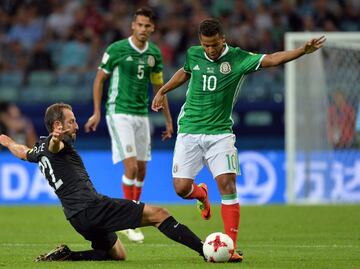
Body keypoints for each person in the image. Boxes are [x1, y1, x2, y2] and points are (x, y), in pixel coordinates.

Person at [152, 18, 326, 257]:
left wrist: (302, 51)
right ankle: (201, 193)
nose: (210, 50)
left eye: (214, 45)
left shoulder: (238, 58)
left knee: (227, 184)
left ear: (223, 39)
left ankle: (230, 247)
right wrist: (163, 90)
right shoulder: (194, 54)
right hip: (189, 130)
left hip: (220, 133)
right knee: (181, 189)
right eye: (206, 45)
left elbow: (272, 59)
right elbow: (185, 72)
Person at [0, 103, 207, 262]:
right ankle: (206, 250)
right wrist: (55, 139)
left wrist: (7, 141)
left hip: (76, 218)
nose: (76, 126)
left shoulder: (39, 149)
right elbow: (55, 146)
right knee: (159, 214)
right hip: (93, 207)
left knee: (118, 255)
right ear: (57, 126)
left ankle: (68, 256)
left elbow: (22, 152)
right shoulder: (56, 144)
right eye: (71, 122)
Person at [84, 7, 173, 243]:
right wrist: (96, 112)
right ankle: (128, 220)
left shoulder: (154, 53)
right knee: (131, 168)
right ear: (133, 25)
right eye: (140, 25)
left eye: (148, 26)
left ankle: (132, 216)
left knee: (142, 170)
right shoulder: (117, 49)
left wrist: (168, 120)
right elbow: (99, 80)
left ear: (153, 28)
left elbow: (159, 89)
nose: (144, 29)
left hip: (141, 115)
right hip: (118, 112)